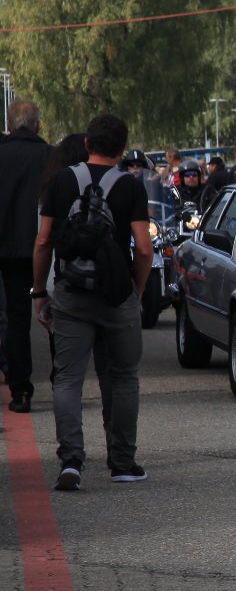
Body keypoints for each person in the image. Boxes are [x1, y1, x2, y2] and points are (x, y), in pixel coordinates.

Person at [32, 112, 151, 489]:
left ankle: (71, 461)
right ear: (123, 148)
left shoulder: (61, 181)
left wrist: (40, 291)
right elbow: (144, 248)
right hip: (116, 295)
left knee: (68, 378)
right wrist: (137, 290)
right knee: (124, 377)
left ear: (87, 144)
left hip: (72, 293)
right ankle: (123, 463)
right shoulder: (131, 186)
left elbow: (43, 241)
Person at [0, 100, 49, 412]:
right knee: (45, 316)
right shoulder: (50, 156)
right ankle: (61, 383)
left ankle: (20, 389)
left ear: (9, 125)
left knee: (15, 318)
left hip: (6, 246)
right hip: (38, 246)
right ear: (37, 125)